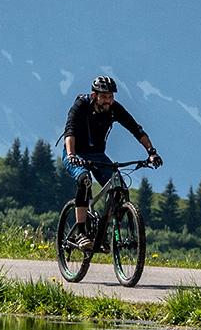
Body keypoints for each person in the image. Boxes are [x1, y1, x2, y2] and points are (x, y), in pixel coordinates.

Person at [63, 76, 160, 250]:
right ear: (95, 95)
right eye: (105, 96)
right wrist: (71, 154)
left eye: (111, 96)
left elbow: (136, 129)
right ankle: (81, 233)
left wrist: (151, 152)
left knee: (119, 189)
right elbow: (69, 130)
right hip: (76, 152)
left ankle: (103, 232)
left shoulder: (114, 109)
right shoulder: (81, 106)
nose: (109, 100)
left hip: (98, 155)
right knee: (85, 181)